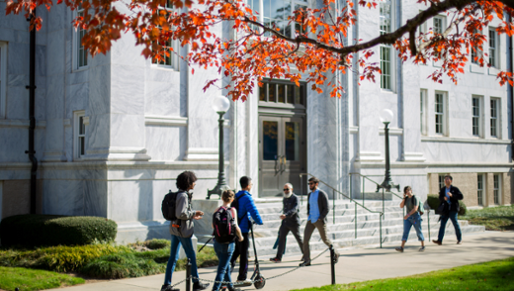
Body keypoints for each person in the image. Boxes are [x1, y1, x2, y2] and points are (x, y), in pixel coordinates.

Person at [162, 171, 210, 291]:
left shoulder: (179, 194)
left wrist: (192, 216)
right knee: (191, 256)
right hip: (182, 231)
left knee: (173, 257)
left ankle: (166, 285)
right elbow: (181, 213)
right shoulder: (183, 196)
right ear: (188, 183)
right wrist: (194, 213)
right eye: (193, 181)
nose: (194, 184)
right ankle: (196, 283)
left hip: (175, 229)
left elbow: (180, 213)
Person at [230, 176, 263, 285]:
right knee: (244, 254)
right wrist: (260, 221)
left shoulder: (236, 196)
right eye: (251, 185)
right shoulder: (247, 197)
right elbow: (254, 211)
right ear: (248, 186)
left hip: (235, 228)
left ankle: (225, 274)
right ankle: (242, 278)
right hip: (243, 230)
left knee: (235, 253)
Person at [300, 177, 340, 267]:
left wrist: (321, 218)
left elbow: (327, 208)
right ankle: (307, 260)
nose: (310, 185)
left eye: (311, 184)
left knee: (325, 240)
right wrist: (308, 213)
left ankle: (336, 253)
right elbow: (309, 205)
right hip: (310, 220)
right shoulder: (310, 194)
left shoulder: (322, 194)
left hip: (319, 220)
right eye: (309, 184)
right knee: (305, 240)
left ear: (316, 184)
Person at [212, 190, 244, 291]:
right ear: (232, 199)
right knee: (222, 269)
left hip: (217, 242)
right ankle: (215, 289)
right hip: (228, 244)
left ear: (222, 198)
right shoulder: (232, 210)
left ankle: (230, 287)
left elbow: (213, 226)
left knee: (226, 265)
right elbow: (236, 226)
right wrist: (241, 237)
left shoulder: (217, 210)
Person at [269, 183, 304, 263]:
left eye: (287, 189)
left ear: (291, 189)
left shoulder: (295, 198)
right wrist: (284, 216)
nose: (286, 191)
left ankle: (305, 254)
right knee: (281, 238)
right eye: (284, 189)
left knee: (299, 239)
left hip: (294, 222)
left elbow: (295, 209)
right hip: (285, 222)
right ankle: (278, 257)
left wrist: (286, 215)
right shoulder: (285, 198)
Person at [433, 174, 463, 245]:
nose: (446, 180)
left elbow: (461, 196)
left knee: (455, 224)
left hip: (453, 209)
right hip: (445, 210)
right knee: (442, 225)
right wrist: (444, 198)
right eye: (445, 179)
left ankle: (459, 239)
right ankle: (439, 240)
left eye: (448, 179)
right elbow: (440, 198)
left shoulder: (454, 189)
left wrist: (452, 195)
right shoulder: (443, 189)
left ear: (451, 181)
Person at [395, 186, 425, 252]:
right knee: (405, 231)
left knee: (418, 231)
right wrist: (403, 198)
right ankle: (401, 247)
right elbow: (401, 206)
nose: (407, 192)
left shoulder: (415, 198)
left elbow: (415, 208)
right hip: (408, 218)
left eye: (408, 190)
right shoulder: (406, 199)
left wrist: (407, 215)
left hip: (415, 217)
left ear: (411, 190)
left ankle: (423, 245)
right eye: (406, 191)